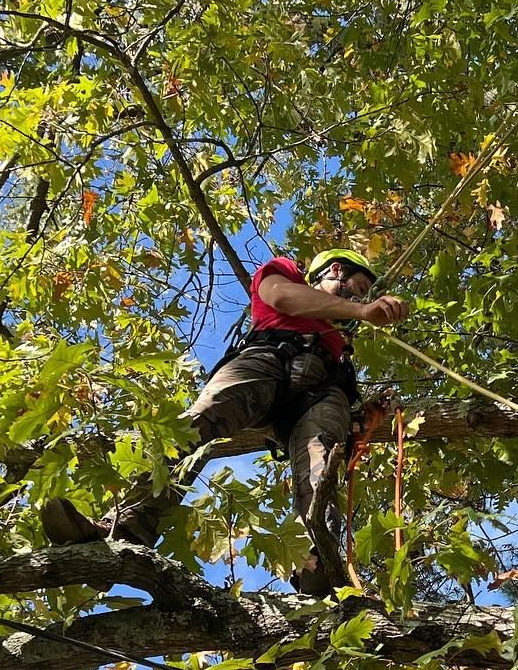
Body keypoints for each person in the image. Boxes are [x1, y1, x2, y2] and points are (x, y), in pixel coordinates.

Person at [40, 247, 408, 594]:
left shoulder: (339, 346)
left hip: (323, 392)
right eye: (358, 290)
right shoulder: (285, 273)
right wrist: (359, 311)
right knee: (200, 422)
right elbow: (281, 297)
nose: (360, 300)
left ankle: (316, 569)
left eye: (362, 297)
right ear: (336, 271)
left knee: (321, 464)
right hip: (269, 359)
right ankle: (122, 530)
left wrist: (366, 415)